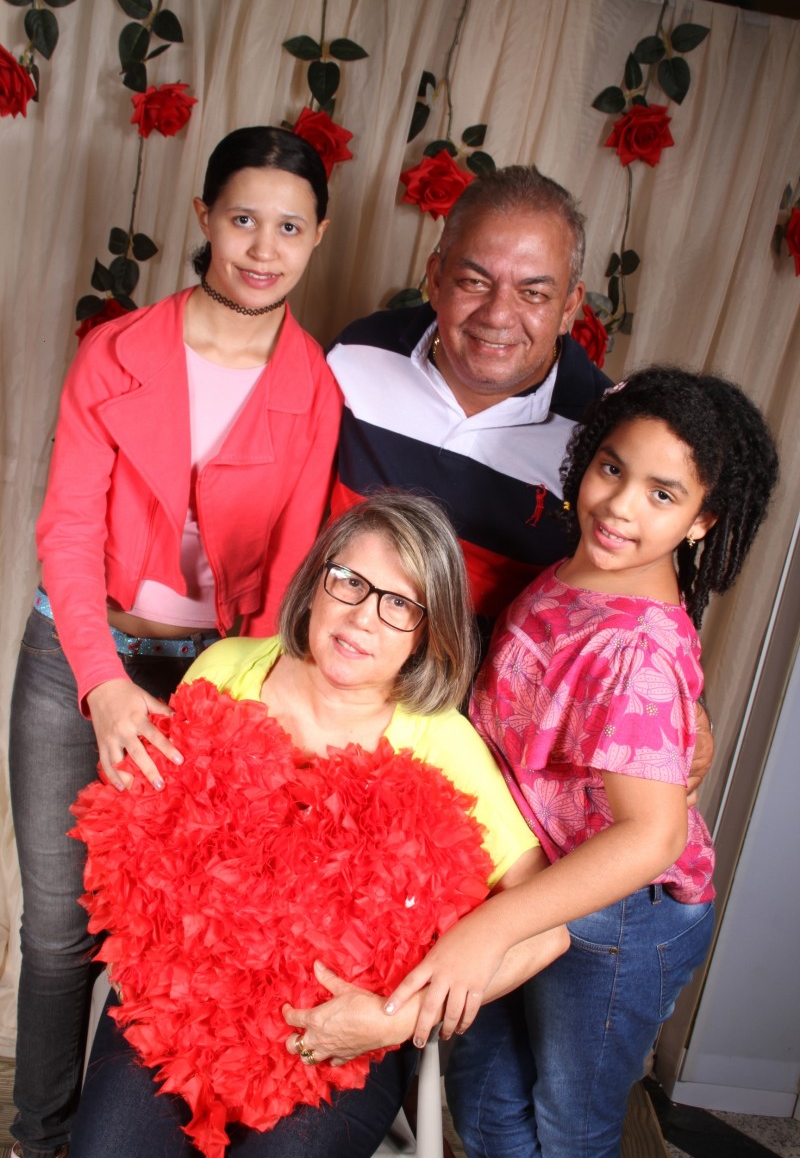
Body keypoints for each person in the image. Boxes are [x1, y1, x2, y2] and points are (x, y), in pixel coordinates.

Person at [8, 125, 342, 1158]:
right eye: (242, 219)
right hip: (78, 653)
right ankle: (38, 1136)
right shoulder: (114, 352)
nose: (262, 248)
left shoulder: (315, 389)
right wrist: (103, 686)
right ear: (204, 217)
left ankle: (143, 1132)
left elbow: (289, 575)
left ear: (318, 237)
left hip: (216, 677)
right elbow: (68, 529)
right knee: (58, 930)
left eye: (289, 228)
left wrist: (237, 712)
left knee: (178, 930)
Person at [68, 492, 569, 1158]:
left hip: (340, 1035)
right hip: (181, 1003)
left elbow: (547, 932)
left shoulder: (443, 745)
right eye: (350, 581)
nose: (363, 617)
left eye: (399, 604)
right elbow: (159, 839)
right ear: (316, 581)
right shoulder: (227, 668)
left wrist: (394, 1020)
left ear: (427, 633)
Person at [392, 367, 778, 1158]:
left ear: (703, 521)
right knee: (485, 1099)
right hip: (532, 877)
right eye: (612, 468)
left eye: (662, 495)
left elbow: (651, 838)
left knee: (570, 1123)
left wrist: (489, 929)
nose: (620, 506)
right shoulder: (579, 568)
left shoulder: (635, 649)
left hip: (619, 918)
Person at [327, 163, 713, 792]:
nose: (498, 315)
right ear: (434, 277)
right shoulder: (358, 356)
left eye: (533, 293)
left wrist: (688, 702)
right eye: (474, 281)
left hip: (470, 751)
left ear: (569, 308)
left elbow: (640, 581)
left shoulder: (605, 438)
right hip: (327, 694)